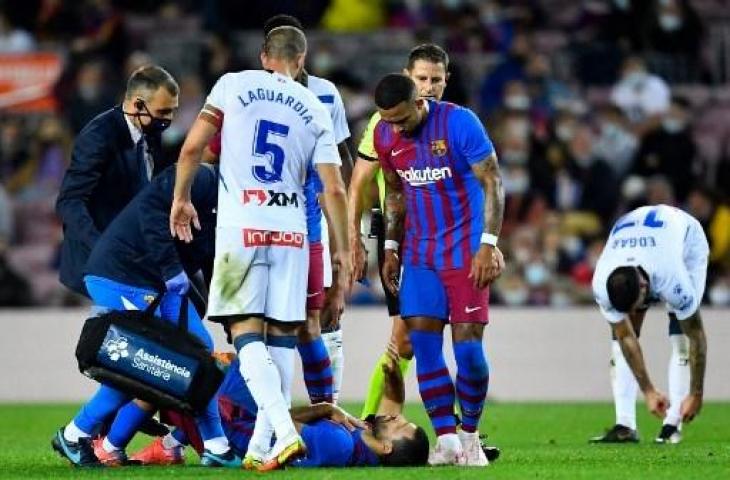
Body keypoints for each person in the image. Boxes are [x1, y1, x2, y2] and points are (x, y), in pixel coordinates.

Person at [170, 26, 350, 471]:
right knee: (284, 338)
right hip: (294, 235)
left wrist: (181, 198)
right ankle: (260, 448)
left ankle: (285, 433)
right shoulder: (315, 106)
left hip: (241, 231)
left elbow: (193, 147)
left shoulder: (233, 85)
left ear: (265, 56)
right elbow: (334, 187)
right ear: (301, 59)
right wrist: (343, 253)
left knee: (243, 332)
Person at [51, 164, 238, 467]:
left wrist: (229, 316)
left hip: (156, 282)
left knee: (196, 353)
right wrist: (171, 270)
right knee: (140, 364)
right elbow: (150, 208)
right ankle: (76, 434)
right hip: (122, 274)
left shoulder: (236, 200)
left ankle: (214, 446)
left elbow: (212, 258)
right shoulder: (199, 178)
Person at [376, 74, 505, 466]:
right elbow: (395, 190)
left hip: (465, 252)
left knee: (468, 351)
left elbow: (493, 181)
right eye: (388, 121)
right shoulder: (385, 136)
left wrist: (489, 244)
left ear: (419, 103)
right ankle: (446, 440)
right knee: (424, 347)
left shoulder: (459, 123)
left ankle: (470, 436)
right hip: (419, 254)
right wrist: (391, 246)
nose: (395, 128)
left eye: (401, 119)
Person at [350, 43, 449, 419]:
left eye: (435, 79)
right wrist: (359, 239)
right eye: (421, 78)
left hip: (443, 240)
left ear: (446, 81)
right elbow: (359, 181)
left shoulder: (450, 120)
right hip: (402, 239)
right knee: (405, 338)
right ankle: (371, 422)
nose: (428, 86)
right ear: (408, 78)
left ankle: (449, 427)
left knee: (425, 337)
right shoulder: (386, 120)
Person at [131, 345, 430, 468]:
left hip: (242, 432)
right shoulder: (365, 434)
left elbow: (280, 420)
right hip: (249, 421)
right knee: (237, 360)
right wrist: (393, 374)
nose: (395, 417)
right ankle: (170, 443)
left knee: (173, 372)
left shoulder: (338, 443)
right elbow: (394, 402)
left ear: (388, 447)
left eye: (399, 425)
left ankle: (104, 439)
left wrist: (325, 409)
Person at [56, 65, 179, 297]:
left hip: (135, 252)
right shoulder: (99, 136)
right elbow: (69, 201)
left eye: (172, 111)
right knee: (118, 326)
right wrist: (102, 246)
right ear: (137, 105)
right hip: (101, 260)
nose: (169, 119)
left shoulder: (150, 132)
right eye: (163, 112)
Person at [590, 205, 709, 445]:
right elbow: (626, 337)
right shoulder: (602, 281)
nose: (635, 313)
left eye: (637, 306)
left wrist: (696, 394)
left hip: (687, 243)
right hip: (640, 235)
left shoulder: (672, 276)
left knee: (681, 335)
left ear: (645, 288)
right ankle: (625, 425)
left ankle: (672, 425)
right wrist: (648, 390)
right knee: (622, 333)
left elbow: (697, 335)